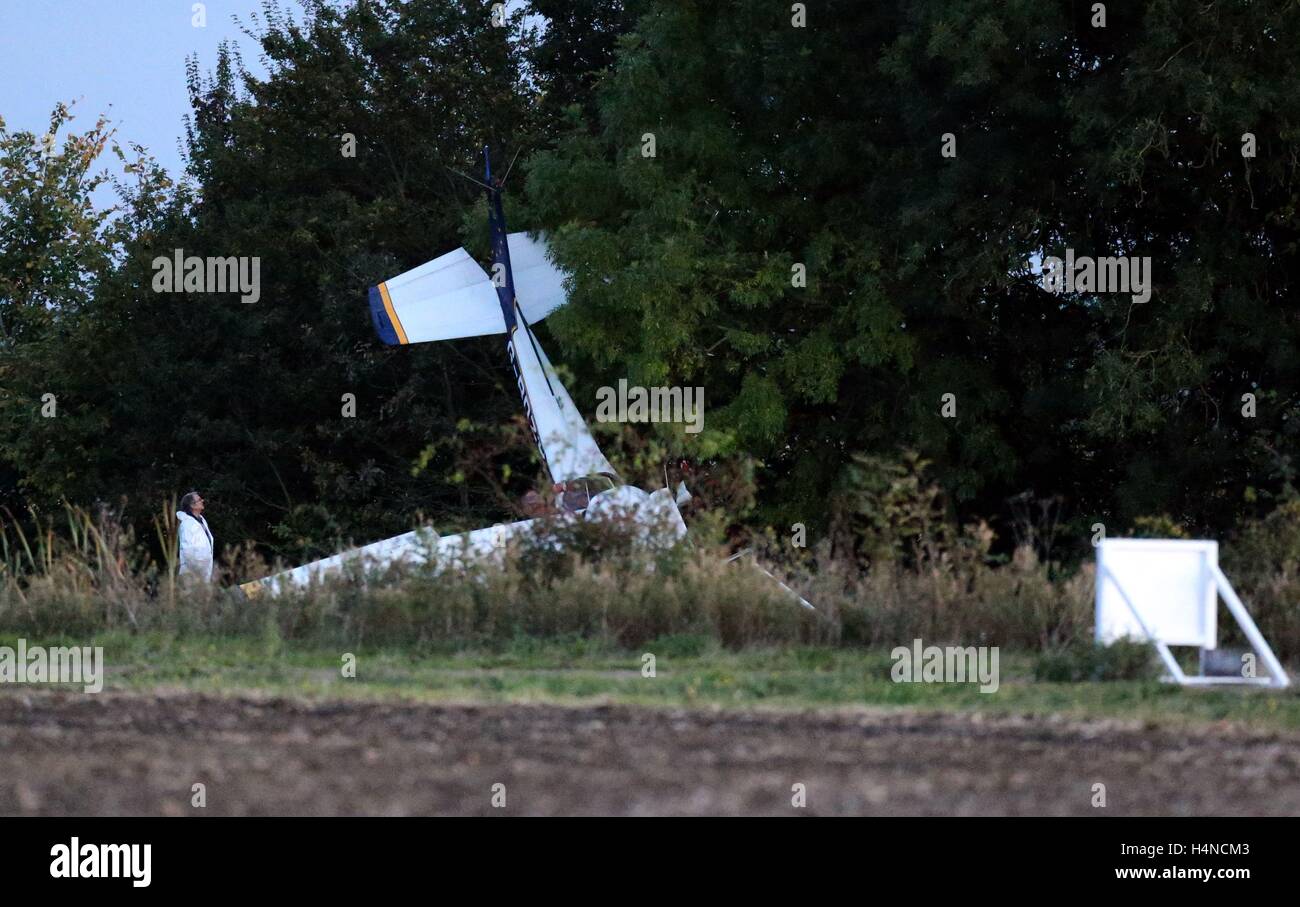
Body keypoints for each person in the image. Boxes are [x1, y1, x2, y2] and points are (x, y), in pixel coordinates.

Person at [177, 491, 215, 580]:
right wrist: (196, 573)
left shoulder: (202, 520)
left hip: (204, 572)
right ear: (192, 506)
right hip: (193, 574)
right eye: (199, 500)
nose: (202, 500)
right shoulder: (186, 524)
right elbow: (187, 551)